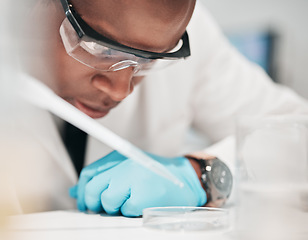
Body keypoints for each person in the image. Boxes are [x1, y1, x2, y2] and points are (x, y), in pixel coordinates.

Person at [8, 0, 308, 216]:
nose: (121, 89)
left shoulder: (174, 30)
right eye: (101, 49)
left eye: (151, 60)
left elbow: (297, 134)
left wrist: (203, 175)